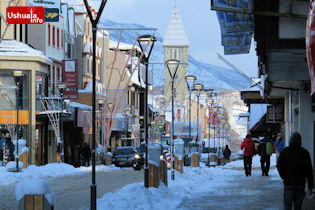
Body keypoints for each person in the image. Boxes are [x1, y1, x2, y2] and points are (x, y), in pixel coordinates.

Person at [277, 132, 313, 210]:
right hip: (300, 183)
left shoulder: (285, 151)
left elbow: (279, 166)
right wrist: (310, 185)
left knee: (287, 205)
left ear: (290, 140)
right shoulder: (305, 153)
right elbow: (309, 170)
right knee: (298, 206)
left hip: (288, 183)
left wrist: (284, 176)